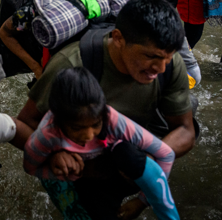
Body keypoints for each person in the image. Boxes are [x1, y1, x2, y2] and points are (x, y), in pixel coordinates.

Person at [16, 0, 195, 220]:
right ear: (118, 39)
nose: (159, 68)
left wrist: (146, 169)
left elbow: (186, 130)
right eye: (151, 57)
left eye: (167, 58)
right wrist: (55, 154)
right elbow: (23, 124)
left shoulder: (169, 63)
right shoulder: (72, 65)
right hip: (87, 166)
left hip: (133, 153)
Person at [24, 68, 179, 220]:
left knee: (127, 151)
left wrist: (142, 201)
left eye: (96, 124)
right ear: (58, 121)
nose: (88, 135)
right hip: (83, 180)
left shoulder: (112, 119)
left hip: (117, 168)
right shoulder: (47, 135)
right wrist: (56, 165)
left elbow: (166, 154)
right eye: (77, 128)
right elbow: (31, 168)